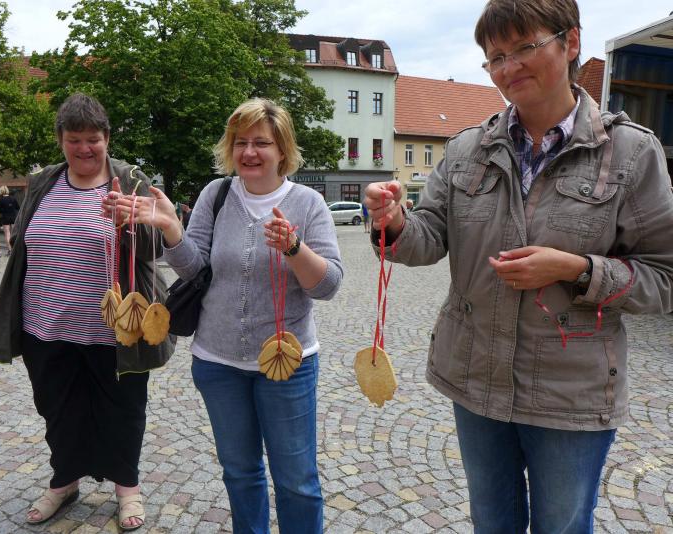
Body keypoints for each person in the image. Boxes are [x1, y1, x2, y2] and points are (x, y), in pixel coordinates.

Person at [364, 1, 673, 531]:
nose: (508, 68)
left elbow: (664, 279)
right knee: (491, 522)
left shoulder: (629, 153)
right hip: (475, 381)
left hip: (571, 394)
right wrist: (392, 222)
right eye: (495, 57)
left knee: (561, 525)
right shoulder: (467, 149)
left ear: (570, 43)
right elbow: (427, 239)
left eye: (524, 47)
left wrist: (577, 269)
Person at [104, 97, 343, 534]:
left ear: (282, 149)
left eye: (261, 143)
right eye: (240, 142)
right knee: (240, 472)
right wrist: (171, 228)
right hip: (218, 363)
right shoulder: (216, 194)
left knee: (297, 482)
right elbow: (194, 269)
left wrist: (294, 249)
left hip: (287, 366)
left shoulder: (308, 203)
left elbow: (326, 286)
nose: (249, 152)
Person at [0, 93, 173, 531]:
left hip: (114, 328)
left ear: (107, 138)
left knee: (123, 409)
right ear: (61, 140)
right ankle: (64, 482)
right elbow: (24, 243)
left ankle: (127, 488)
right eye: (74, 139)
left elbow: (156, 250)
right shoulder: (43, 181)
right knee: (57, 409)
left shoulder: (130, 180)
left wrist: (130, 225)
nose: (84, 148)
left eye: (93, 139)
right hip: (44, 325)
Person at [0, 185, 20, 256]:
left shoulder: (0, 200)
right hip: (13, 217)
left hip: (5, 218)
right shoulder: (13, 199)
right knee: (14, 233)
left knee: (7, 234)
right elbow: (18, 207)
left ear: (1, 191)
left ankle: (10, 250)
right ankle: (16, 250)